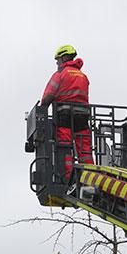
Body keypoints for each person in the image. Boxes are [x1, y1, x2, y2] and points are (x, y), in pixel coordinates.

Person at [40, 44, 93, 180]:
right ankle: (91, 176)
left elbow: (48, 96)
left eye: (58, 60)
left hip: (64, 116)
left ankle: (68, 179)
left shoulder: (60, 75)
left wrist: (42, 108)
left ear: (64, 58)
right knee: (85, 150)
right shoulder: (83, 76)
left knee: (65, 147)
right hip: (82, 116)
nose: (57, 63)